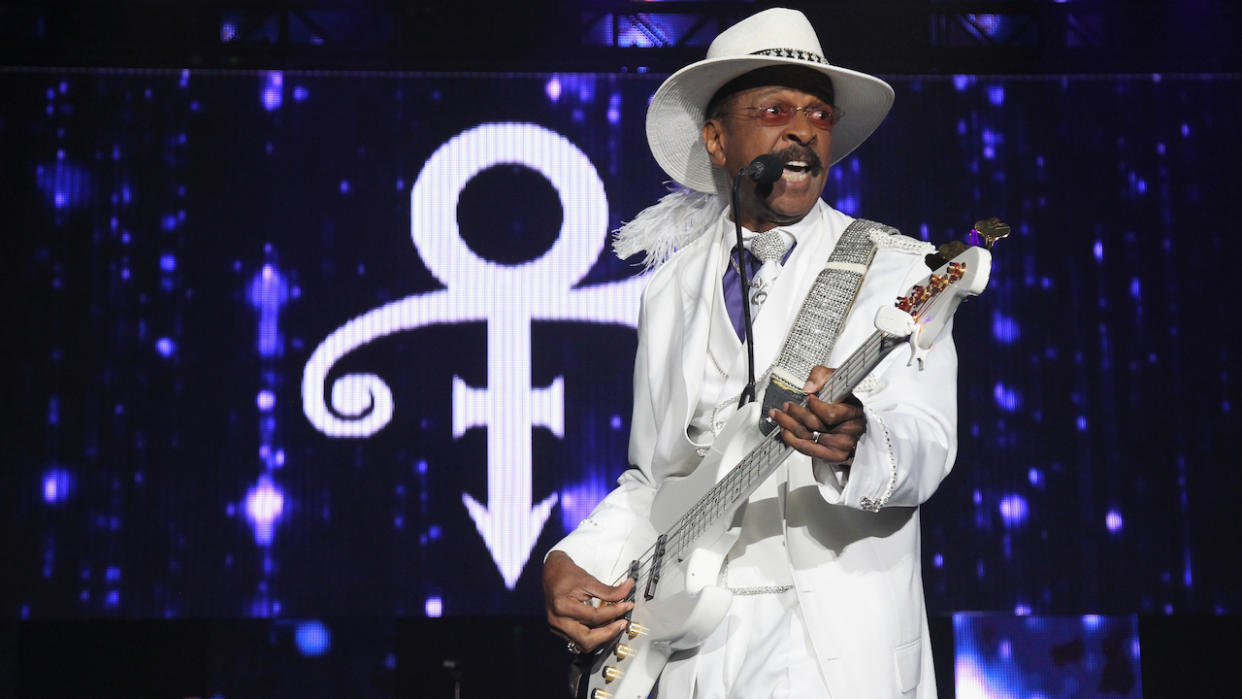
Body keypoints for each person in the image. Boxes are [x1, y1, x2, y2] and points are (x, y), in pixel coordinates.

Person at [544, 8, 956, 698]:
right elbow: (657, 478)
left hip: (828, 653)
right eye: (773, 109)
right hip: (688, 654)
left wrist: (861, 440)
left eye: (818, 115)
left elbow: (926, 443)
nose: (802, 129)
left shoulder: (899, 268)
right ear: (717, 139)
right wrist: (573, 558)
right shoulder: (670, 288)